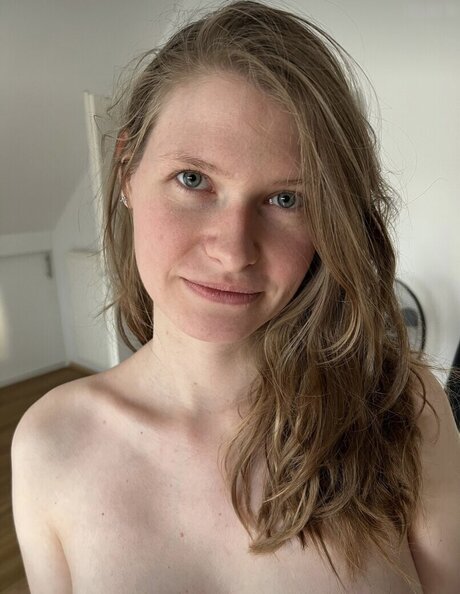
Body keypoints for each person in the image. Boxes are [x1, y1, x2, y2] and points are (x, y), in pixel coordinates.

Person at [11, 1, 460, 593]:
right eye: (193, 180)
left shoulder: (402, 412)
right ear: (126, 172)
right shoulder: (49, 445)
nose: (233, 251)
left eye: (286, 199)